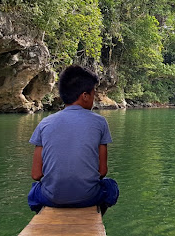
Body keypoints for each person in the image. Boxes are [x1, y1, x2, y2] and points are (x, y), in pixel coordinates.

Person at [27, 65, 119, 214]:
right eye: (93, 94)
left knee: (34, 192)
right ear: (85, 96)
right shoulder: (100, 122)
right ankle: (96, 211)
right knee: (111, 186)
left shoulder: (44, 123)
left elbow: (36, 174)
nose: (94, 99)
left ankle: (46, 213)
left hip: (52, 198)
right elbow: (102, 171)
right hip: (88, 197)